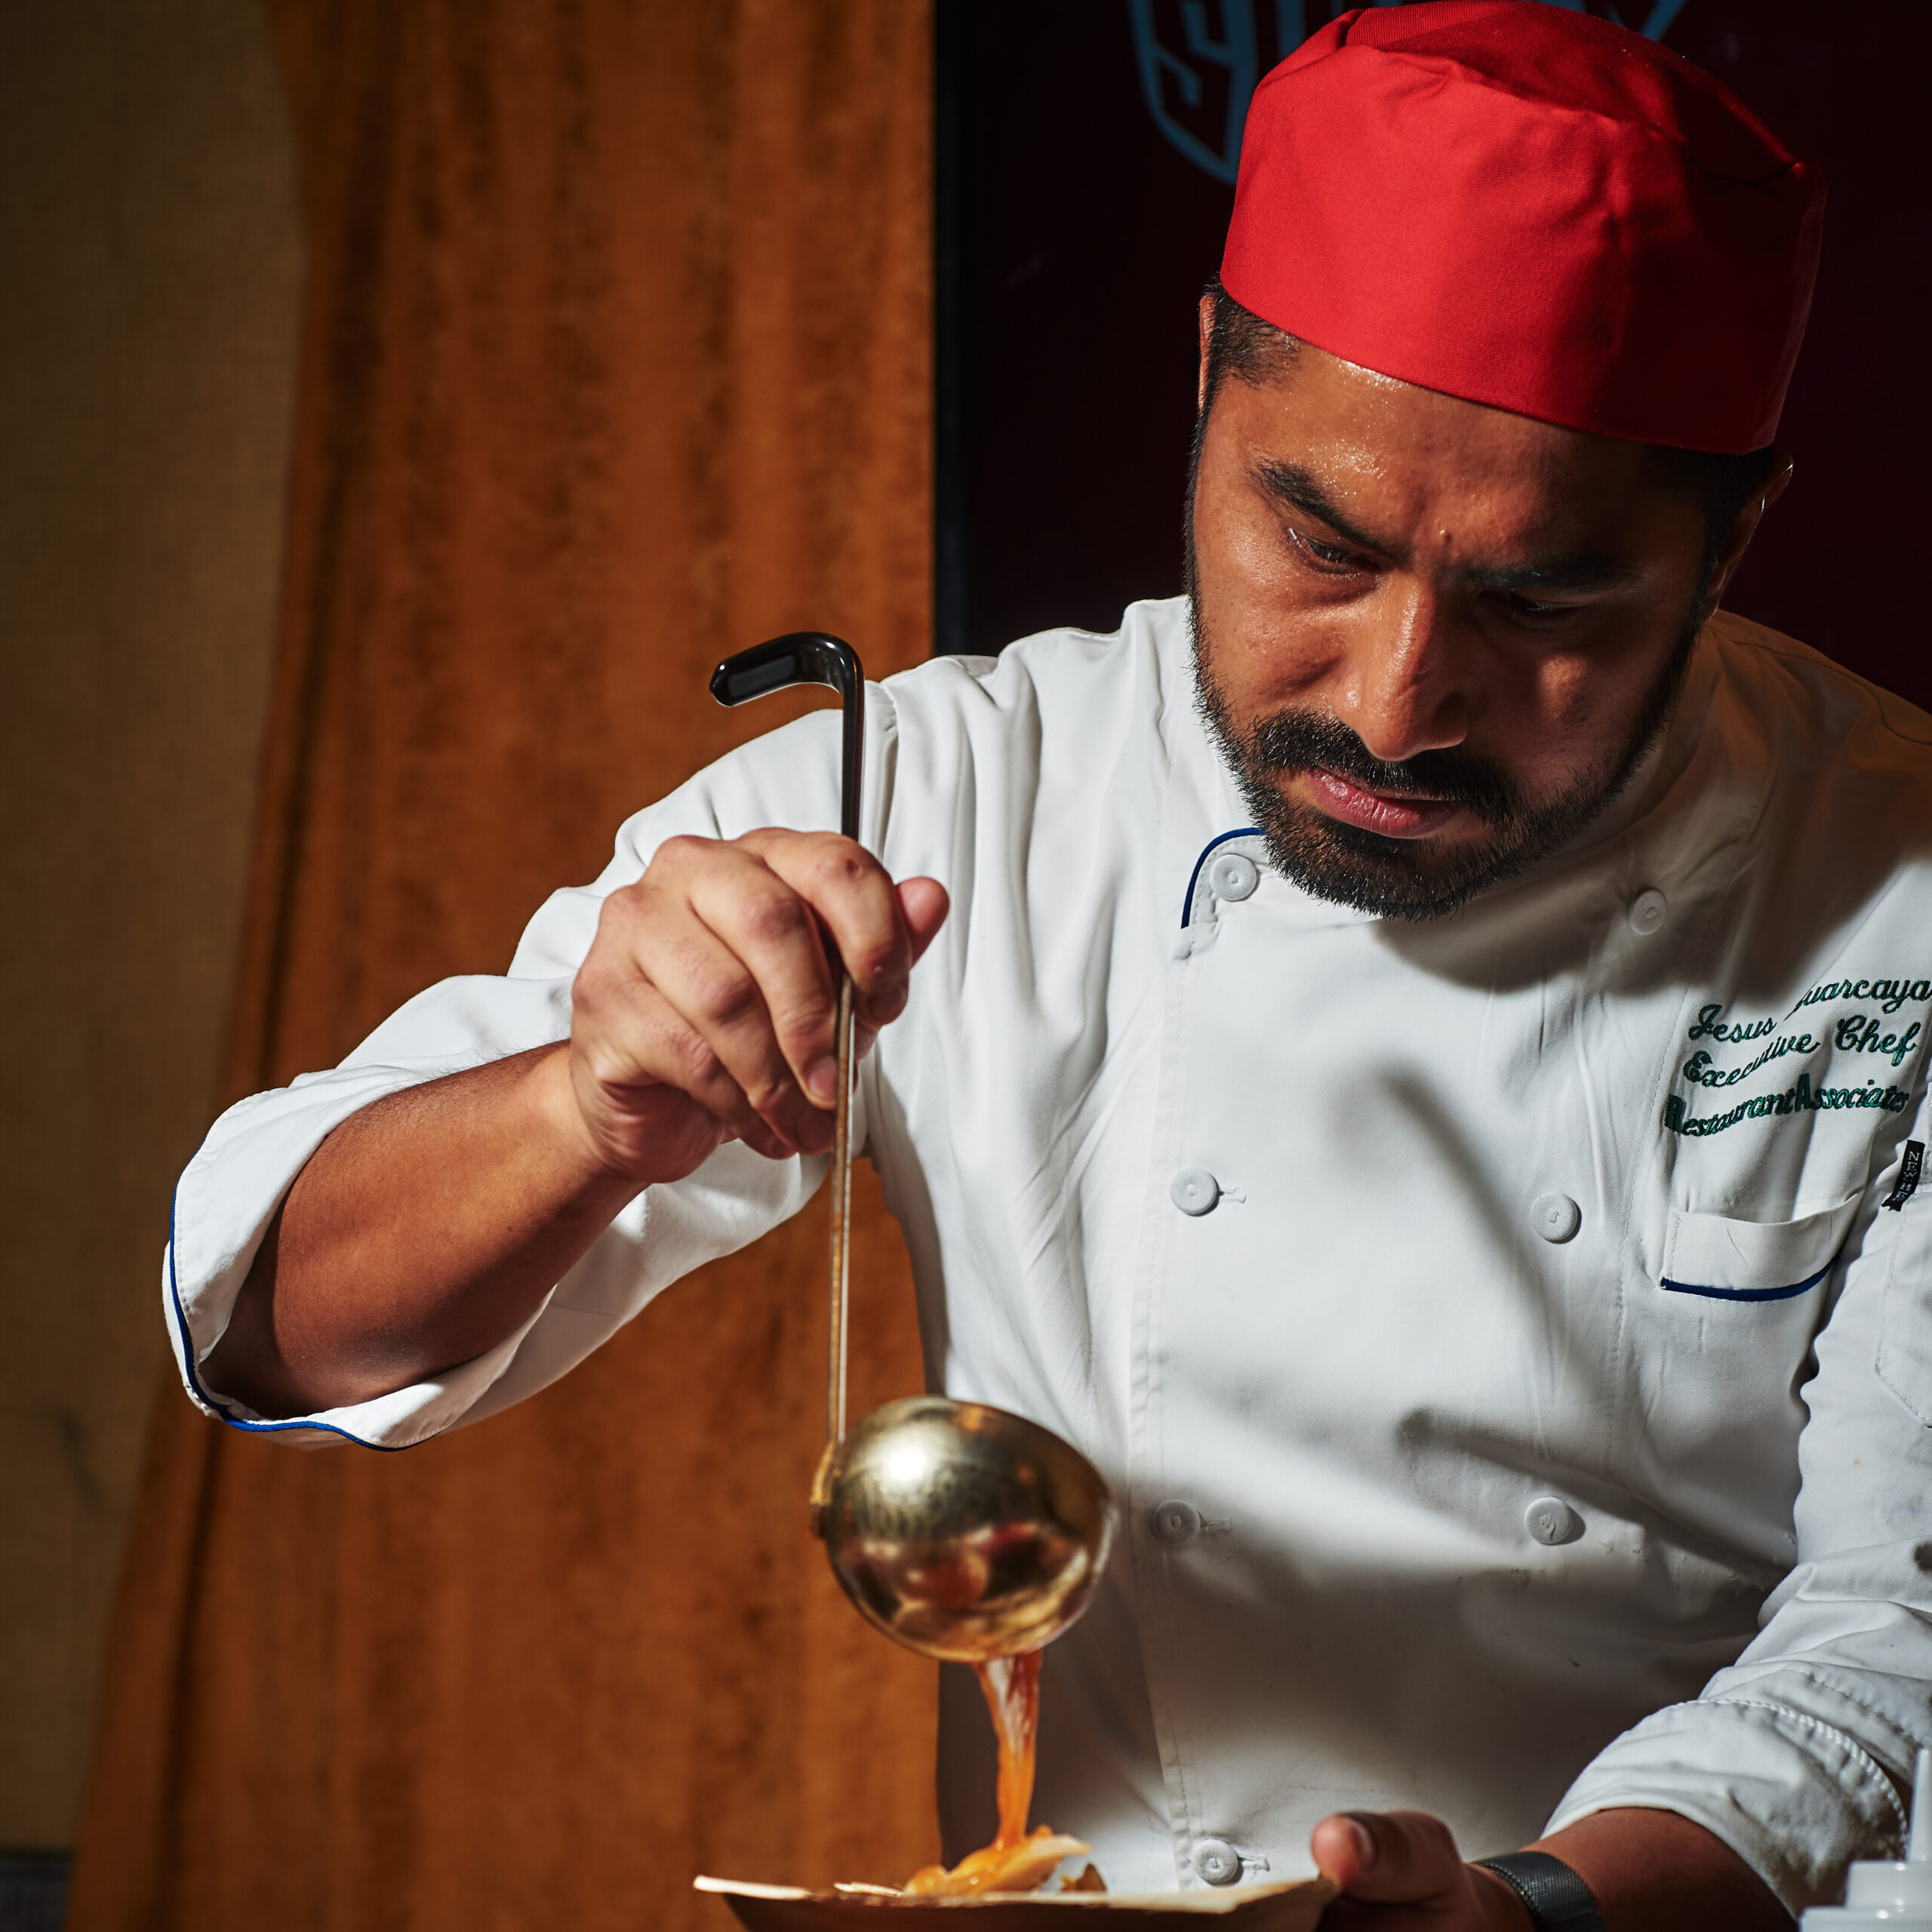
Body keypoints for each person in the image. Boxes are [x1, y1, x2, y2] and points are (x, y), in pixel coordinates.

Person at [165, 6, 1929, 1926]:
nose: (1397, 702)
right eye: (1317, 544)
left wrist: (1545, 1910)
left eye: (1538, 597)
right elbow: (269, 1317)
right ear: (1203, 381)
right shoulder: (945, 796)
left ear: (1733, 533)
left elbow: (1893, 1623)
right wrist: (582, 1105)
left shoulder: (1888, 881)